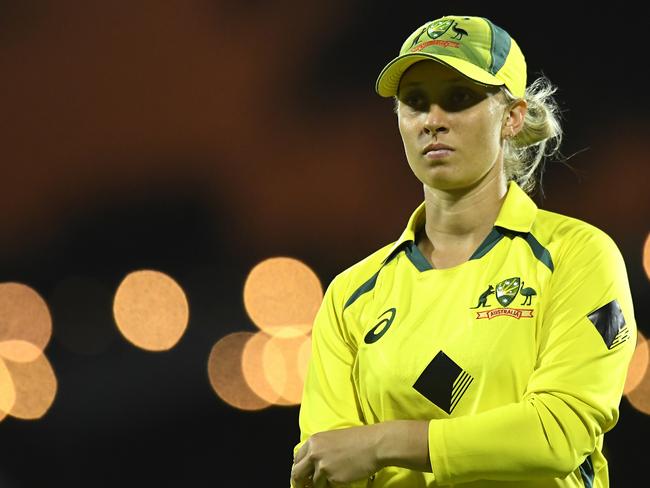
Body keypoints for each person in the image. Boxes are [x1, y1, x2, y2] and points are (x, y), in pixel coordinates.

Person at [290, 14, 637, 488]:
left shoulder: (578, 256)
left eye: (458, 99)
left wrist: (381, 443)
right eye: (414, 102)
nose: (433, 120)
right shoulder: (351, 296)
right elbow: (327, 467)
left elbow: (558, 432)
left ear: (511, 116)